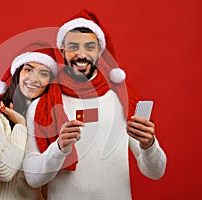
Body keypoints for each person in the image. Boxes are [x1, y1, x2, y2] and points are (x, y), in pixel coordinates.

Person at [23, 9, 167, 200]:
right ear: (62, 51)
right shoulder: (42, 104)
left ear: (99, 51)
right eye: (73, 47)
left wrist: (149, 145)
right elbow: (32, 178)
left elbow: (155, 172)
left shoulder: (124, 98)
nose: (81, 54)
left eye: (89, 47)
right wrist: (59, 148)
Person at [0, 41, 58, 200]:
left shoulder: (47, 121)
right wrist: (20, 124)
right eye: (28, 69)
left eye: (43, 73)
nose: (34, 79)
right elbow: (4, 171)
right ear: (17, 73)